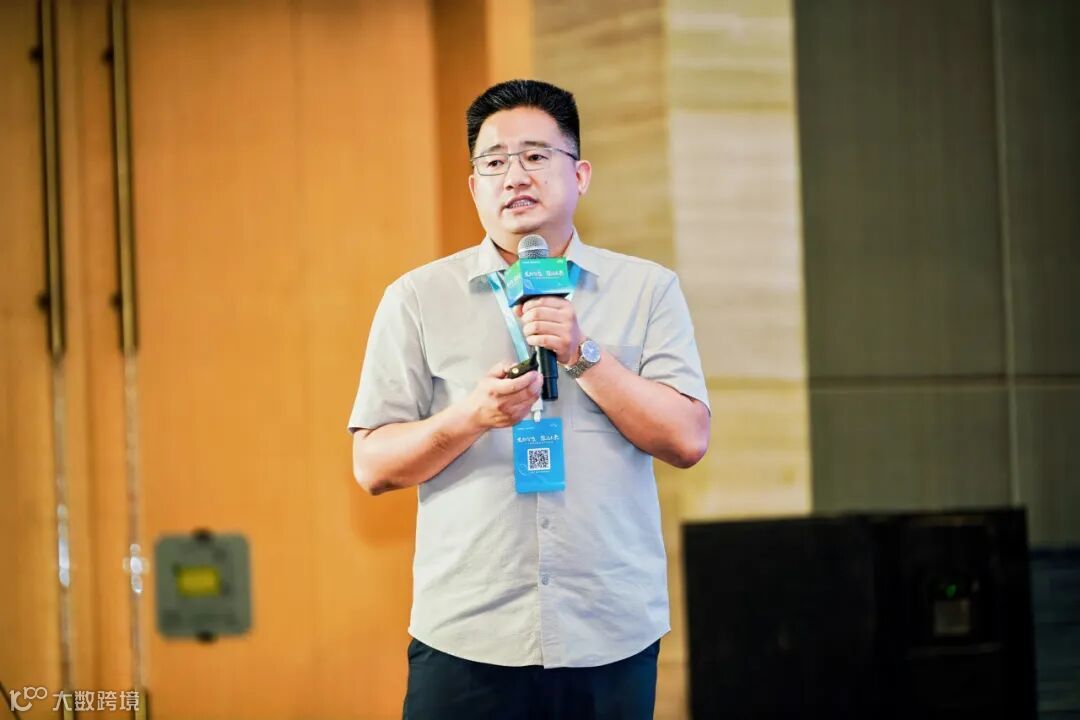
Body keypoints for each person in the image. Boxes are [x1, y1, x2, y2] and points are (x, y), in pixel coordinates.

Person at [348, 79, 710, 719]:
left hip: (609, 629)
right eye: (494, 162)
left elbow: (687, 439)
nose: (514, 175)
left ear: (581, 174)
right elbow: (372, 465)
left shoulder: (648, 290)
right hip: (468, 632)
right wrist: (471, 417)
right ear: (474, 188)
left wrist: (583, 353)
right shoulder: (417, 298)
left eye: (536, 156)